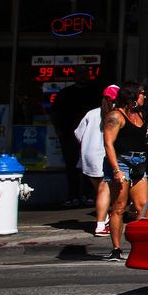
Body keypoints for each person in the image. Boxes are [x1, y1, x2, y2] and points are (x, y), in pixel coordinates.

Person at [100, 83, 148, 262]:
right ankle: (116, 248)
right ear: (132, 96)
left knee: (142, 205)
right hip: (121, 162)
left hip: (139, 161)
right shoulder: (115, 116)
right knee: (120, 206)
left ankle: (142, 246)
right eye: (141, 94)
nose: (144, 96)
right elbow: (108, 144)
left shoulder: (140, 114)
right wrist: (116, 170)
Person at [51, 76, 104, 208]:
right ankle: (74, 195)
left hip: (90, 137)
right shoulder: (65, 93)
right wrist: (60, 132)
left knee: (90, 167)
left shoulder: (94, 94)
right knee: (72, 166)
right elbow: (56, 114)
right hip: (70, 136)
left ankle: (88, 194)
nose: (82, 76)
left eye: (84, 73)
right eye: (80, 73)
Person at [75, 85, 115, 236]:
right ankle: (100, 224)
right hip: (103, 156)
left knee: (100, 189)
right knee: (104, 190)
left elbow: (78, 134)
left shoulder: (91, 113)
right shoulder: (116, 114)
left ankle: (104, 219)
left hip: (88, 156)